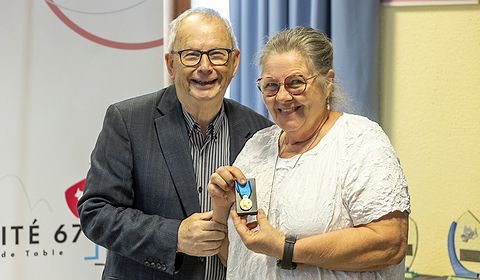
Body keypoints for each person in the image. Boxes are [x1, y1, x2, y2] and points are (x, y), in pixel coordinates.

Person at [77, 8, 272, 280]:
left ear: (234, 62)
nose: (205, 67)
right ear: (171, 64)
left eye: (217, 54)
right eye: (191, 55)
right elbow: (96, 213)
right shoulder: (128, 120)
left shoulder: (261, 133)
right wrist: (175, 236)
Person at [208, 27, 410, 279]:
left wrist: (286, 248)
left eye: (296, 82)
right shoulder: (256, 148)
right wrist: (221, 207)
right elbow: (239, 258)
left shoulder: (359, 142)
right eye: (271, 85)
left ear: (328, 83)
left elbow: (389, 244)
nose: (282, 96)